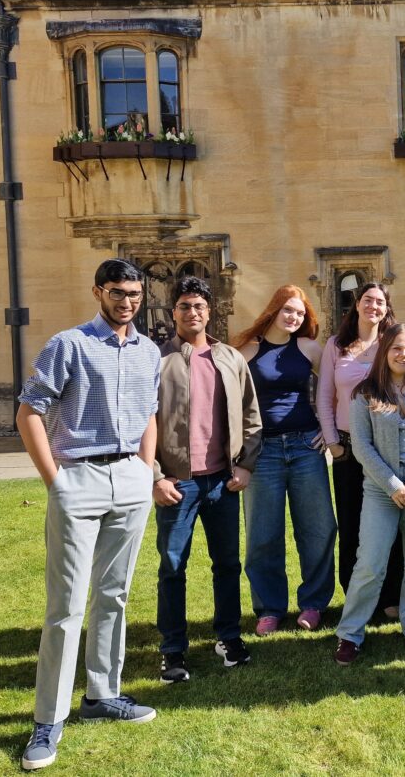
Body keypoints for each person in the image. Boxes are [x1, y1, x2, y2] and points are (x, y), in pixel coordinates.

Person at [16, 259, 161, 771]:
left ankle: (102, 695)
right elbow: (29, 411)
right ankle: (47, 721)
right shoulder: (68, 344)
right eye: (119, 293)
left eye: (136, 295)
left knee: (114, 595)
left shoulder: (149, 352)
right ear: (98, 291)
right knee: (66, 606)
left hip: (130, 481)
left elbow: (149, 413)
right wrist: (55, 481)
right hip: (76, 477)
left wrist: (145, 470)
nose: (128, 302)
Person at [152, 276, 263, 683]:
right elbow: (140, 423)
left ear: (209, 311)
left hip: (221, 481)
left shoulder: (230, 358)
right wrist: (156, 477)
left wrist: (245, 465)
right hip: (176, 484)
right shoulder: (156, 359)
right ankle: (173, 650)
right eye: (184, 306)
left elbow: (251, 416)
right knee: (172, 567)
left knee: (228, 564)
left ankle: (228, 637)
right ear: (174, 312)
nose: (192, 312)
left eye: (199, 305)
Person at [333, 324, 405, 664]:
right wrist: (394, 485)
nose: (403, 354)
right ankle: (350, 633)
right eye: (397, 348)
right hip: (382, 491)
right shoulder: (365, 394)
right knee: (370, 562)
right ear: (385, 352)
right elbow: (363, 447)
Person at [235, 286, 336, 636]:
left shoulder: (309, 348)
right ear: (274, 310)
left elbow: (334, 389)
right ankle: (269, 608)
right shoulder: (247, 351)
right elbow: (232, 401)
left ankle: (313, 604)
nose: (294, 318)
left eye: (300, 313)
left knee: (319, 529)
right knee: (263, 533)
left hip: (306, 447)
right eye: (288, 311)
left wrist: (330, 427)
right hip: (263, 452)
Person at [317, 282, 402, 613]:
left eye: (380, 302)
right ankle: (356, 596)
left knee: (390, 521)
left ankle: (391, 597)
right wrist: (333, 443)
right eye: (368, 300)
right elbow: (325, 395)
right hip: (348, 447)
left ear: (386, 308)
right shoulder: (337, 346)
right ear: (357, 305)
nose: (374, 307)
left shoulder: (392, 343)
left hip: (386, 445)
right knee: (352, 524)